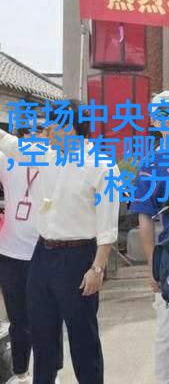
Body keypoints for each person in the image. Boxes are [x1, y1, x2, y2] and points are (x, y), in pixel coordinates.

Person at [0, 100, 120, 384]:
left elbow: (107, 226)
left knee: (82, 336)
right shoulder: (46, 156)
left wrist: (97, 268)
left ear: (69, 127)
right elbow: (9, 143)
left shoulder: (102, 167)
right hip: (42, 254)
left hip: (78, 258)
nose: (47, 130)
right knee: (41, 333)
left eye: (52, 124)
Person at [130, 90, 169, 384]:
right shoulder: (150, 163)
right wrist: (152, 265)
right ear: (154, 121)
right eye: (161, 115)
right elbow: (144, 216)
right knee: (168, 330)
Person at [0, 127, 62, 384]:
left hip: (45, 250)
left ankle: (52, 372)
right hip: (10, 253)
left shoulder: (54, 161)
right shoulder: (7, 161)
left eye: (40, 133)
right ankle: (21, 372)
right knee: (18, 319)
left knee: (50, 317)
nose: (33, 139)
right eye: (27, 134)